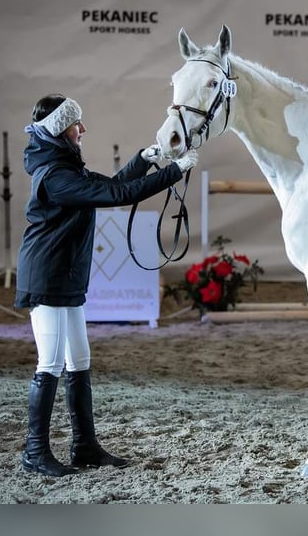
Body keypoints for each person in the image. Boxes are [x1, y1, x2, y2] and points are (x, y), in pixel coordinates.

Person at [15, 93, 198, 477]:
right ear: (60, 129)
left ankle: (84, 445)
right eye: (76, 124)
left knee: (79, 363)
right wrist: (172, 172)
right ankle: (35, 453)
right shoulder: (56, 175)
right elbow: (116, 195)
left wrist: (143, 160)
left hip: (65, 276)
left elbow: (114, 183)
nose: (83, 129)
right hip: (47, 277)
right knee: (49, 364)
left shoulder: (64, 166)